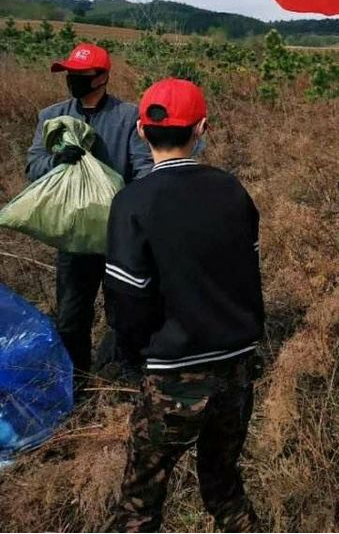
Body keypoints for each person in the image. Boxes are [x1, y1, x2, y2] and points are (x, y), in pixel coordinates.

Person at [104, 78, 264, 533]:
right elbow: (251, 280)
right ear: (203, 128)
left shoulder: (132, 202)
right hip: (235, 371)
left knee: (139, 506)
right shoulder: (232, 191)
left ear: (140, 130)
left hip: (173, 375)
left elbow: (127, 300)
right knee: (225, 490)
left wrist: (140, 357)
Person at [26, 42, 152, 377]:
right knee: (71, 315)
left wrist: (130, 215)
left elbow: (143, 170)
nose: (73, 80)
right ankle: (76, 381)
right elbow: (33, 166)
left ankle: (117, 377)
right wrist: (55, 161)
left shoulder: (128, 117)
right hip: (74, 236)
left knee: (123, 313)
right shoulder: (52, 117)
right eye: (70, 73)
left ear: (102, 77)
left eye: (81, 75)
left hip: (117, 237)